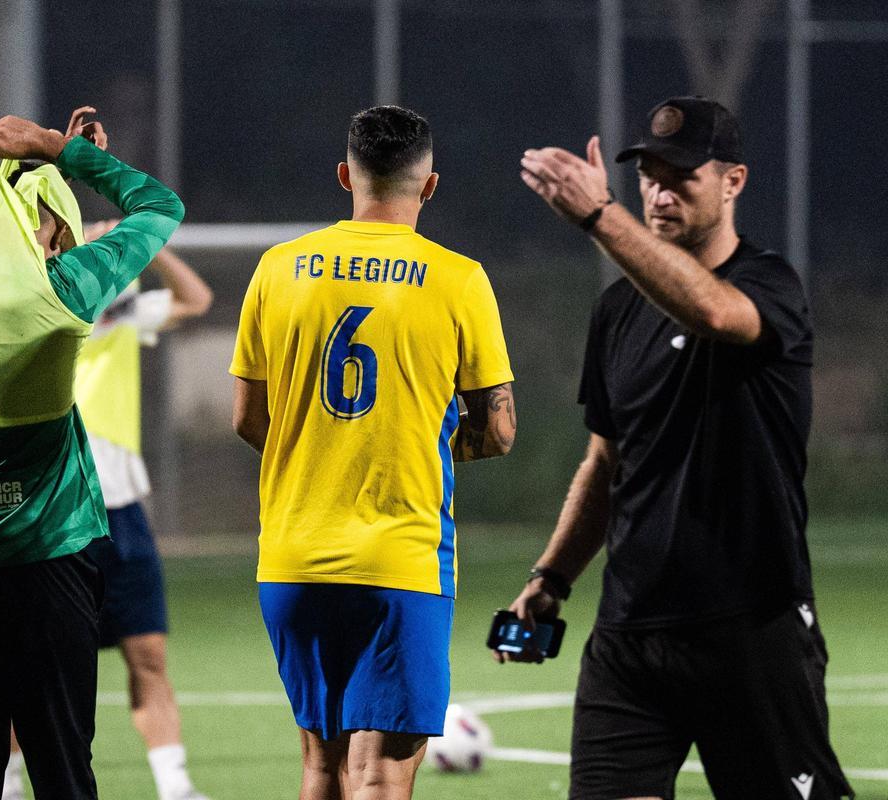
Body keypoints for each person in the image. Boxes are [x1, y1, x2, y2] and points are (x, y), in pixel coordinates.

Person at [508, 96, 853, 799]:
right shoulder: (615, 314)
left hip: (750, 625)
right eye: (649, 176)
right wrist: (551, 577)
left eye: (682, 176)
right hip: (631, 634)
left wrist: (601, 217)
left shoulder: (769, 285)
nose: (660, 191)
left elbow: (714, 313)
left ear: (734, 181)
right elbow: (604, 465)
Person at [230, 105, 516, 800]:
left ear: (344, 176)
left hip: (292, 555)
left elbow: (246, 416)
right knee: (381, 771)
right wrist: (422, 443)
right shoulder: (458, 278)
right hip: (401, 557)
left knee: (321, 765)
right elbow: (500, 430)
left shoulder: (278, 268)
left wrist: (323, 447)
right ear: (430, 185)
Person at [0, 106, 183, 800]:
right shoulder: (63, 292)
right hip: (44, 569)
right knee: (62, 773)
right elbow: (159, 206)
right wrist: (62, 152)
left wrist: (6, 160)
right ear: (54, 229)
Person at [1, 229, 213, 800]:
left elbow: (196, 300)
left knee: (148, 653)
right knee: (37, 662)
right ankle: (9, 783)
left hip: (121, 511)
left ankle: (176, 787)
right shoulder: (29, 303)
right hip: (57, 509)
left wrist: (148, 246)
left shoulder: (116, 309)